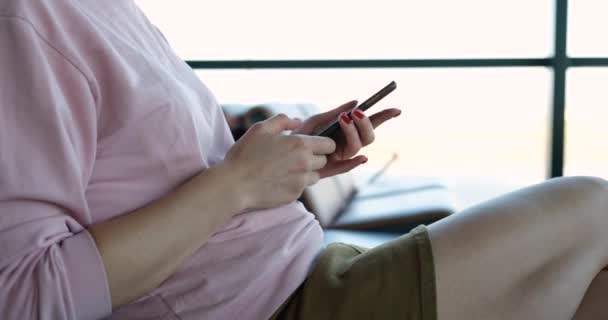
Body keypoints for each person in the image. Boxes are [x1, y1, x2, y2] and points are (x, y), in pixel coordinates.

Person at [1, 1, 607, 319]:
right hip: (275, 308)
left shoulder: (103, 11)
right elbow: (26, 298)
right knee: (592, 209)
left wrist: (285, 169)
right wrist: (238, 183)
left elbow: (152, 182)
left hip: (304, 274)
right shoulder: (24, 22)